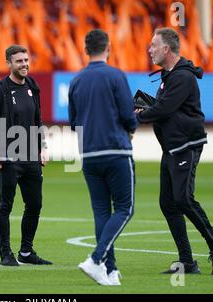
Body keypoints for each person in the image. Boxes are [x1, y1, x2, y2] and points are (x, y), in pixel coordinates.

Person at [136, 27, 213, 275]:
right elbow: (166, 107)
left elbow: (165, 109)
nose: (150, 50)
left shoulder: (182, 77)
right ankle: (187, 262)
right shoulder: (170, 76)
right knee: (168, 203)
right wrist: (147, 108)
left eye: (153, 45)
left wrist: (138, 116)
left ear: (166, 49)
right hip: (172, 148)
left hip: (185, 146)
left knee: (183, 199)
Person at [68, 29, 137, 286]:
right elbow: (128, 115)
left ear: (86, 50)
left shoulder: (76, 80)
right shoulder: (116, 75)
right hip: (116, 150)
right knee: (125, 208)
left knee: (101, 212)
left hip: (89, 153)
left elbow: (74, 122)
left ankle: (111, 270)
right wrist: (130, 129)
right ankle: (96, 260)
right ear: (108, 47)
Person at [0, 45, 52, 267]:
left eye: (26, 60)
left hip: (30, 156)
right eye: (19, 61)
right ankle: (6, 254)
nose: (24, 64)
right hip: (8, 157)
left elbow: (37, 120)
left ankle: (26, 252)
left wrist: (42, 146)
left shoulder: (32, 86)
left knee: (35, 204)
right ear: (8, 64)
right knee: (5, 206)